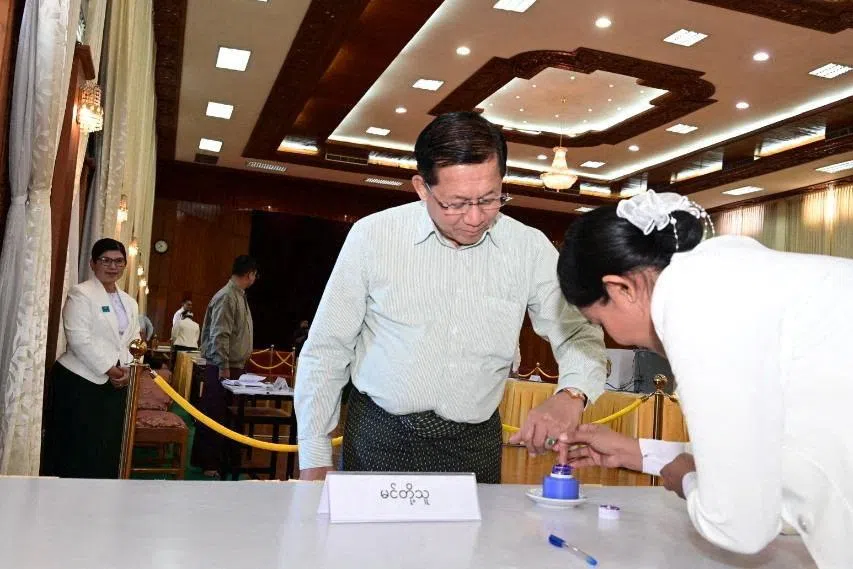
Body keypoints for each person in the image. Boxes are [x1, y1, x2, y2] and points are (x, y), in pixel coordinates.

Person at [295, 111, 607, 483]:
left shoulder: (528, 248)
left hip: (474, 443)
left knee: (473, 543)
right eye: (455, 203)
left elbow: (578, 333)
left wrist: (572, 394)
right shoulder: (373, 237)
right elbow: (328, 349)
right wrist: (314, 453)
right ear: (421, 188)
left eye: (490, 199)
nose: (475, 218)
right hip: (380, 437)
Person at [555, 190, 852, 568]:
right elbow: (763, 448)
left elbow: (739, 526)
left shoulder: (694, 307)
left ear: (621, 289)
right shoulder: (726, 270)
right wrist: (643, 454)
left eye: (599, 321)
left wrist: (685, 481)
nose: (612, 335)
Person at [44, 239, 138, 478]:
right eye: (105, 260)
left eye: (118, 261)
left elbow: (133, 340)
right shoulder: (81, 293)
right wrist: (109, 369)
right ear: (92, 263)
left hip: (115, 384)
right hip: (79, 381)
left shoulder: (129, 302)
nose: (112, 266)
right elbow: (78, 339)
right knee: (76, 448)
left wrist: (127, 370)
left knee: (105, 448)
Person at [191, 255, 257, 477]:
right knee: (215, 414)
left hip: (234, 366)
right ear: (250, 274)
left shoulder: (238, 295)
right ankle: (210, 464)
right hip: (223, 367)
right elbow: (220, 333)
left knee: (227, 415)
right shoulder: (227, 296)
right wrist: (223, 365)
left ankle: (224, 460)